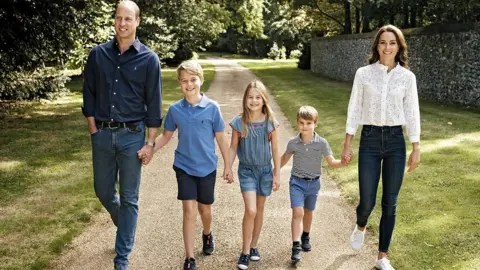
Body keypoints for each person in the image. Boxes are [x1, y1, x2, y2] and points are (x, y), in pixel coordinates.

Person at [82, 1, 162, 269]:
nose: (122, 23)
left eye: (128, 19)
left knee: (129, 197)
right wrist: (93, 127)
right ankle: (125, 225)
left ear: (137, 22)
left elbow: (154, 104)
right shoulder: (98, 54)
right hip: (102, 135)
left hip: (132, 136)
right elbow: (89, 93)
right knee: (103, 191)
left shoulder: (149, 59)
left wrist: (150, 143)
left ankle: (122, 257)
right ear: (114, 20)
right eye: (118, 18)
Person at [137, 60, 232, 270]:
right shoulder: (175, 110)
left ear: (201, 80)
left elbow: (221, 139)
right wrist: (150, 147)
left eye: (193, 80)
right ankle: (189, 258)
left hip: (207, 167)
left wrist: (227, 165)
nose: (189, 84)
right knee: (189, 210)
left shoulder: (212, 108)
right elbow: (166, 136)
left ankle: (207, 234)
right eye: (184, 81)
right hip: (184, 167)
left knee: (204, 209)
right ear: (179, 84)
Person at [341, 25, 421, 270]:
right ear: (376, 45)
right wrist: (347, 143)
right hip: (370, 140)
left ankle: (382, 256)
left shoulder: (407, 78)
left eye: (392, 43)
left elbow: (412, 112)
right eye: (383, 42)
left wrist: (415, 146)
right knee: (367, 200)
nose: (387, 47)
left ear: (399, 47)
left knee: (390, 201)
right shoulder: (363, 73)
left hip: (396, 141)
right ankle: (361, 224)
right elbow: (354, 108)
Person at [280, 106, 345, 264]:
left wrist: (342, 162)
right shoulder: (293, 143)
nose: (305, 126)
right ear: (297, 123)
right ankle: (296, 247)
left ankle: (306, 235)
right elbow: (283, 159)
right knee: (298, 212)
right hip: (296, 183)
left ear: (315, 124)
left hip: (314, 184)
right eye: (301, 122)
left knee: (308, 212)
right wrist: (274, 173)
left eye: (308, 123)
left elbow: (331, 162)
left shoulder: (322, 143)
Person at [227, 80, 280, 270]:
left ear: (264, 100)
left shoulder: (270, 122)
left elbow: (275, 149)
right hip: (247, 171)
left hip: (265, 171)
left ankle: (254, 245)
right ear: (245, 99)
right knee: (251, 210)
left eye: (258, 97)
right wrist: (228, 166)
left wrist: (277, 174)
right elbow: (233, 147)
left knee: (259, 209)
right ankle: (245, 251)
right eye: (250, 97)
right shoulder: (239, 122)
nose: (254, 101)